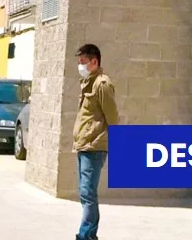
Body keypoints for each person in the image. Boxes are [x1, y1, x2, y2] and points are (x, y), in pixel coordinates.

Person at [72, 43, 120, 240]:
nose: (80, 65)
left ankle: (86, 235)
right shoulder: (87, 83)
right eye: (79, 62)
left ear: (94, 61)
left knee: (88, 193)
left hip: (95, 145)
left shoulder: (102, 84)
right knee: (85, 193)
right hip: (84, 144)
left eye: (83, 62)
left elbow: (113, 117)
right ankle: (88, 234)